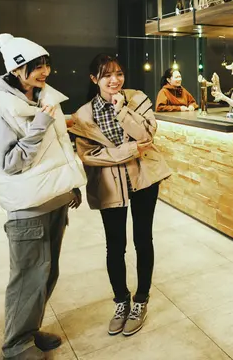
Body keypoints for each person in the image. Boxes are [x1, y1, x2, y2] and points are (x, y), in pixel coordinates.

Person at [0, 34, 85, 360]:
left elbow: (60, 148)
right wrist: (40, 124)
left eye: (45, 64)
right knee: (28, 277)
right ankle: (16, 345)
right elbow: (12, 163)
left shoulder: (43, 99)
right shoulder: (1, 110)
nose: (44, 72)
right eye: (35, 66)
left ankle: (29, 329)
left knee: (47, 274)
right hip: (28, 208)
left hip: (54, 199)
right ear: (15, 69)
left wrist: (71, 185)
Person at [69, 54, 171, 337]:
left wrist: (122, 110)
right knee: (115, 245)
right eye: (106, 75)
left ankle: (141, 300)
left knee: (143, 239)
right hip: (108, 184)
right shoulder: (83, 115)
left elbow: (147, 135)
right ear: (94, 79)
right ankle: (121, 301)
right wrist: (129, 151)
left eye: (119, 74)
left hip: (144, 178)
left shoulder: (136, 98)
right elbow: (89, 155)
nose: (114, 80)